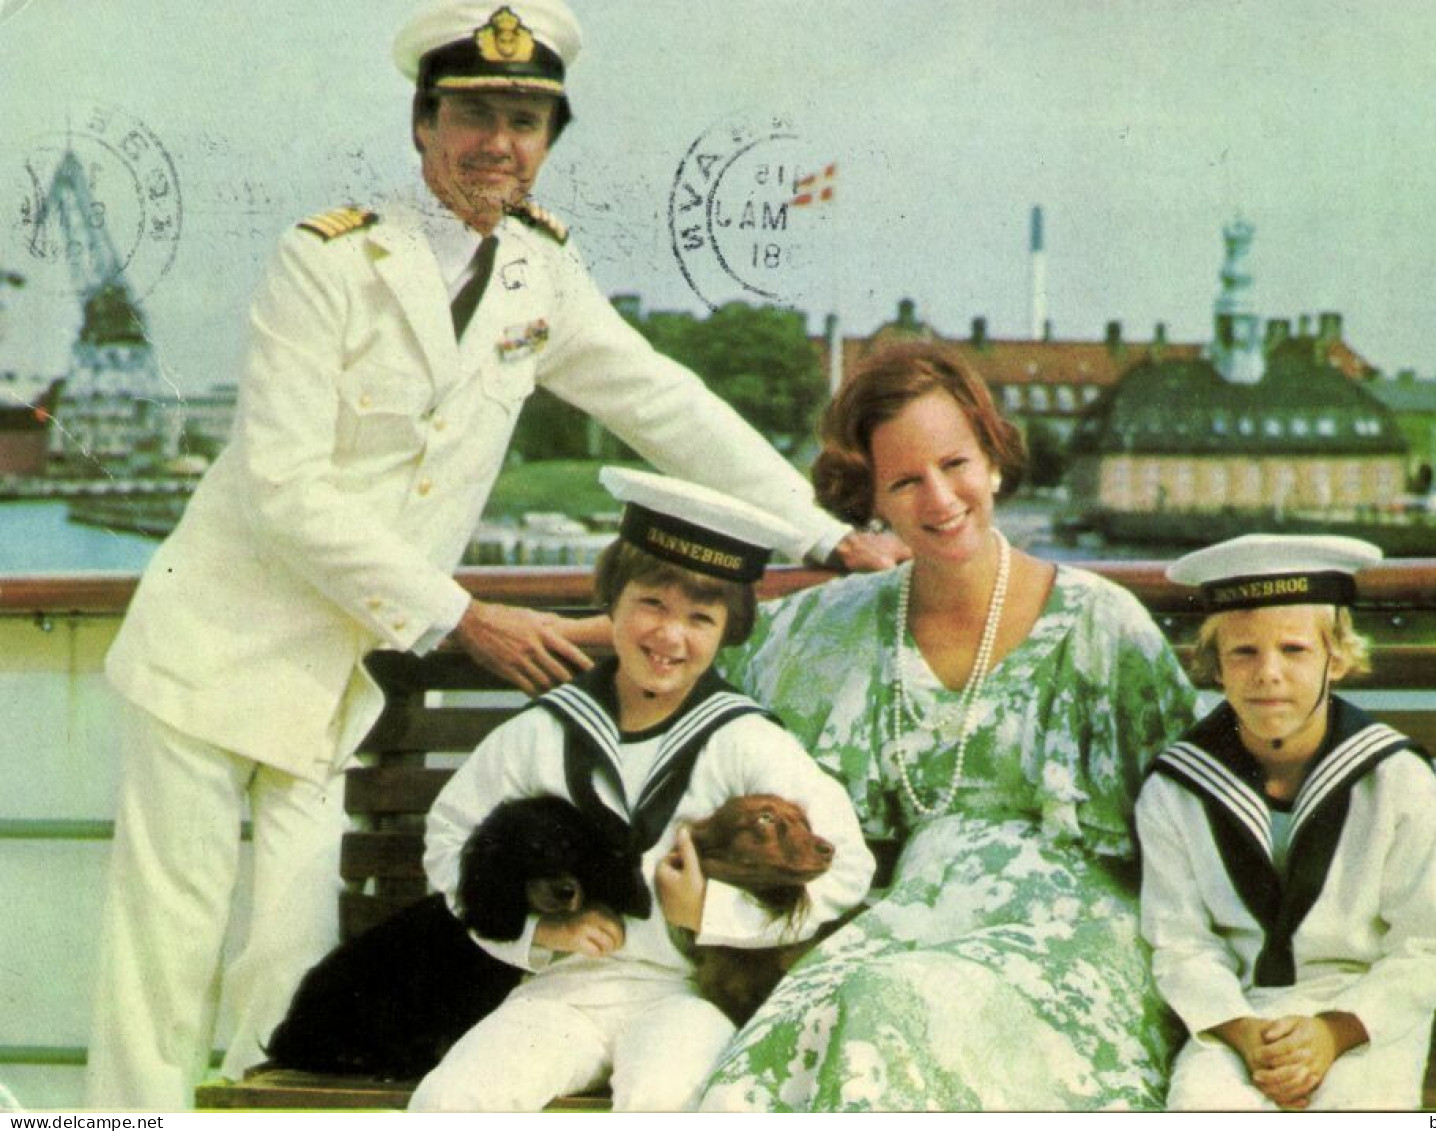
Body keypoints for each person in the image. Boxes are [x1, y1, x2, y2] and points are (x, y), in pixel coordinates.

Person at [84, 0, 896, 1110]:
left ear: (549, 143)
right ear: (423, 124)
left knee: (280, 968)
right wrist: (464, 617)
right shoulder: (328, 263)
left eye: (525, 119)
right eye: (473, 114)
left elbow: (661, 401)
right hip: (213, 648)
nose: (497, 143)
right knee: (162, 965)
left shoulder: (535, 275)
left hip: (332, 680)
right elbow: (282, 487)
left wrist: (821, 532)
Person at [696, 342, 1202, 1111]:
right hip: (898, 924)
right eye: (905, 480)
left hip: (1068, 941)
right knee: (801, 1040)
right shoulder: (823, 631)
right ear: (874, 500)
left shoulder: (1103, 625)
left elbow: (1216, 797)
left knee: (886, 1004)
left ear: (994, 459)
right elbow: (680, 698)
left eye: (956, 463)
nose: (939, 499)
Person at [408, 468, 874, 1111]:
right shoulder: (545, 732)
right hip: (564, 993)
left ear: (726, 632)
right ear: (613, 604)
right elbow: (449, 840)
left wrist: (713, 916)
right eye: (650, 605)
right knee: (450, 1101)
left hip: (690, 992)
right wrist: (536, 931)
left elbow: (846, 864)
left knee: (664, 1099)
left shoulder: (743, 741)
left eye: (700, 618)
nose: (669, 636)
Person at [1135, 535, 1436, 1111]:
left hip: (1364, 1011)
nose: (1268, 673)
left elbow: (1425, 948)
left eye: (1293, 649)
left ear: (1336, 658)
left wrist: (1333, 1032)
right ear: (1214, 665)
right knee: (1202, 1108)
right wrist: (1241, 1031)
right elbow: (1182, 942)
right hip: (1240, 1012)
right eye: (1243, 653)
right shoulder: (1175, 789)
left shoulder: (1396, 780)